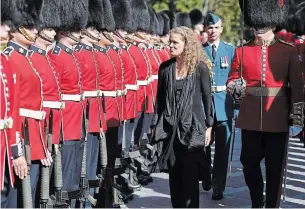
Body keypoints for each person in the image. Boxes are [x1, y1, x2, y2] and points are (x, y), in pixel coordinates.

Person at [227, 0, 304, 207]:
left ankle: (271, 205)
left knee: (275, 168)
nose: (258, 28)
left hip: (277, 118)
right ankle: (256, 200)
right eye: (256, 23)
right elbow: (232, 79)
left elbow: (297, 88)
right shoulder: (242, 51)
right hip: (250, 116)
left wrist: (298, 118)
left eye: (263, 24)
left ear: (273, 23)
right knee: (248, 163)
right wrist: (235, 87)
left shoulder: (287, 51)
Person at [151, 26, 214, 208]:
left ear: (187, 44)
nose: (170, 45)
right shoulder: (165, 69)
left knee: (190, 178)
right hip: (170, 129)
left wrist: (209, 126)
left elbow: (207, 97)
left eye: (175, 42)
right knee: (175, 176)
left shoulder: (200, 68)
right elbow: (160, 100)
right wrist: (156, 125)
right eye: (170, 41)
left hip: (193, 129)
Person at [202, 12, 235, 200]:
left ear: (221, 29)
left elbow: (236, 79)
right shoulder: (199, 50)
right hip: (204, 104)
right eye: (210, 27)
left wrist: (236, 107)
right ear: (206, 29)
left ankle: (218, 186)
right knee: (202, 146)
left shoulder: (230, 51)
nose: (213, 30)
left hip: (224, 104)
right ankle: (205, 175)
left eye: (216, 27)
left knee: (223, 149)